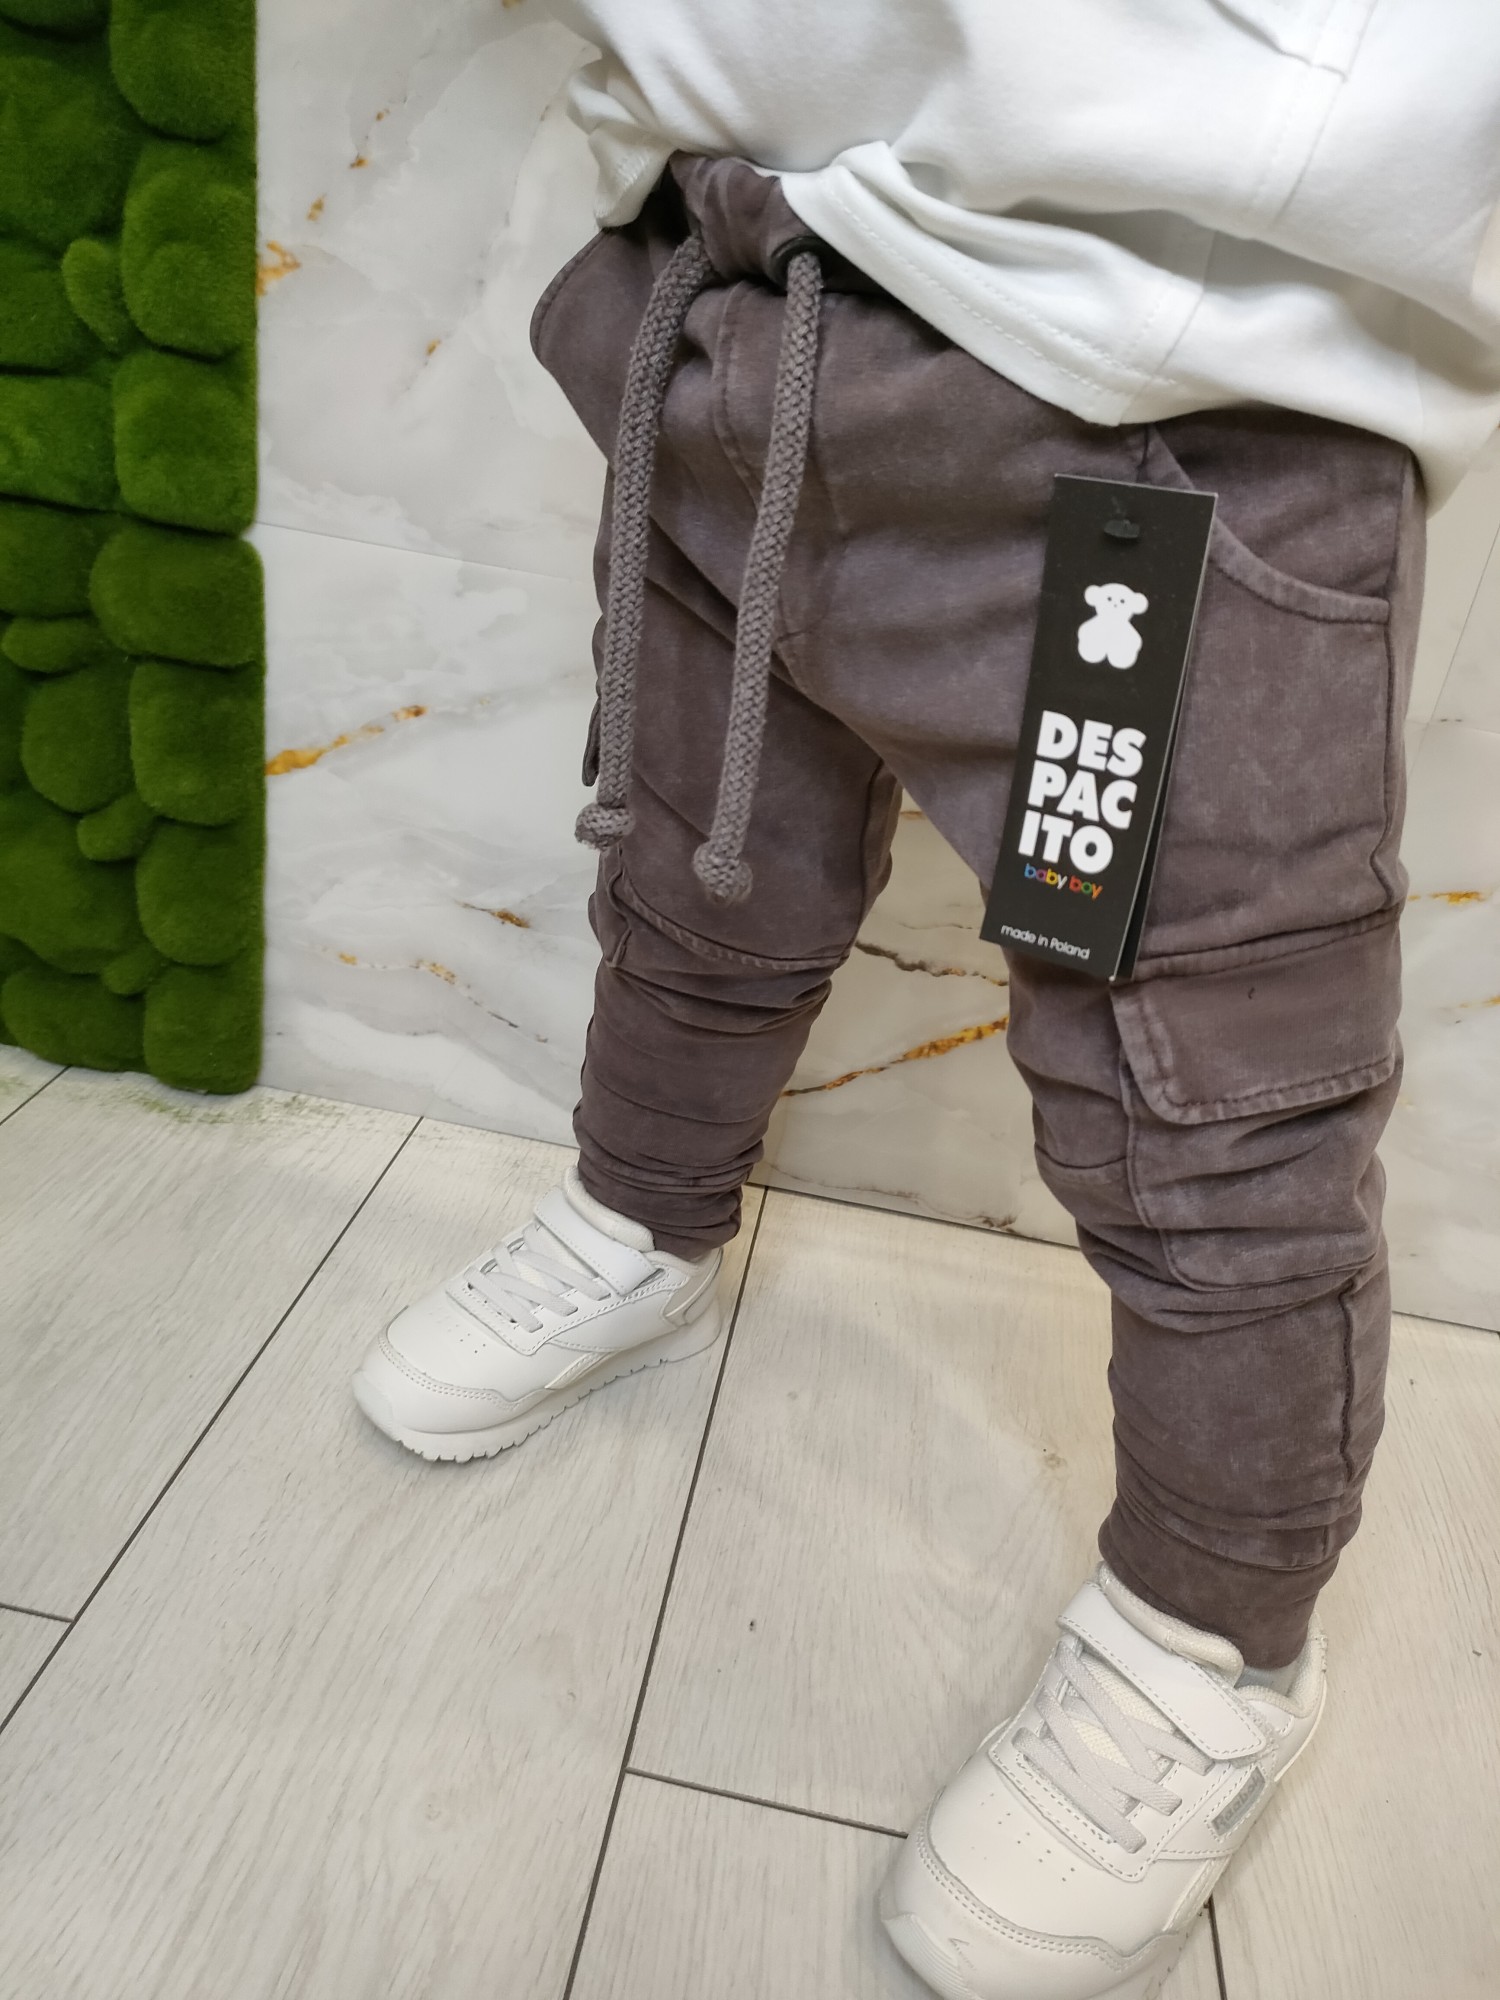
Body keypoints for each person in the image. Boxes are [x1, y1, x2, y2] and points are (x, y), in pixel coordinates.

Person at [351, 6, 1500, 1995]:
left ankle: (1208, 1639)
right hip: (724, 292)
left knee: (1202, 1102)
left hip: (1163, 374)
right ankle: (642, 1216)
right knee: (698, 869)